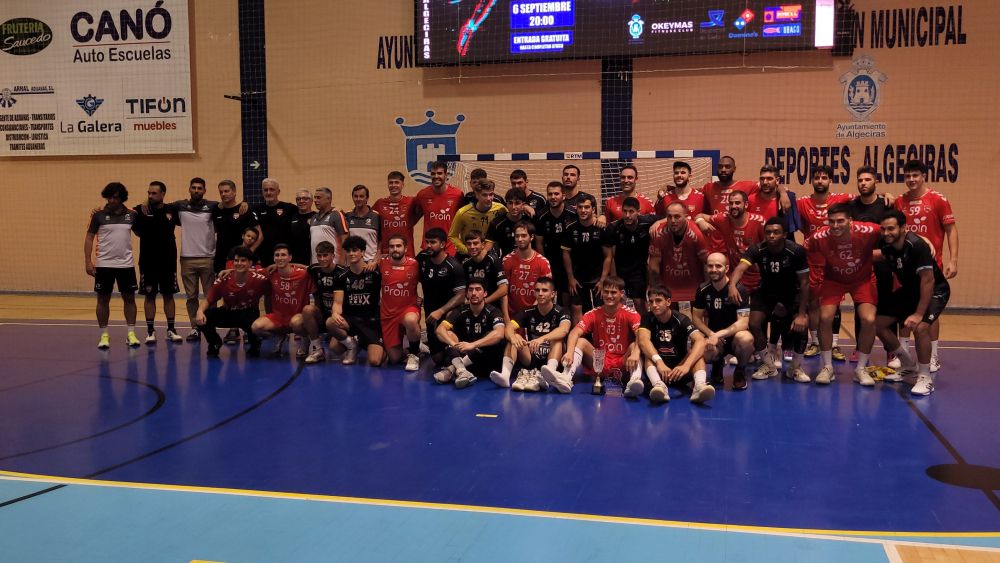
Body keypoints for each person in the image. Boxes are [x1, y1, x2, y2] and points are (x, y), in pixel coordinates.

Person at [803, 204, 881, 386]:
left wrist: (925, 240)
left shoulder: (868, 230)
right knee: (825, 317)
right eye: (831, 221)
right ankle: (827, 367)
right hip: (833, 280)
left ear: (850, 221)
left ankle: (860, 369)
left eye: (840, 221)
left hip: (862, 279)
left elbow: (896, 231)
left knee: (869, 319)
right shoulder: (819, 237)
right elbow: (804, 251)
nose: (835, 225)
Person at [877, 210, 950, 396]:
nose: (886, 233)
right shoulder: (887, 245)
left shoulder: (917, 246)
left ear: (904, 228)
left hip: (934, 291)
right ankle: (908, 364)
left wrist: (918, 314)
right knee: (878, 325)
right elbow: (876, 255)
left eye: (891, 228)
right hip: (910, 291)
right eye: (883, 229)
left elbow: (928, 280)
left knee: (920, 327)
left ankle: (925, 377)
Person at [894, 159, 958, 373]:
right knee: (904, 308)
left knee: (931, 312)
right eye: (908, 176)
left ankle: (933, 356)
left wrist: (953, 259)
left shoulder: (938, 200)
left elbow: (951, 230)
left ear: (924, 176)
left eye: (915, 175)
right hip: (905, 267)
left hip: (930, 266)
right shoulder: (899, 201)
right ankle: (903, 355)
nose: (911, 179)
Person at [729, 217, 811, 383]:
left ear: (784, 234)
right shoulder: (757, 249)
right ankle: (768, 365)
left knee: (802, 325)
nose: (771, 235)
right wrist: (732, 285)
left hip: (791, 294)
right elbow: (740, 268)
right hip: (767, 292)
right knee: (754, 323)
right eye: (768, 232)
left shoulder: (796, 251)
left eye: (776, 232)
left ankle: (795, 367)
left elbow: (804, 283)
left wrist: (802, 314)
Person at [541, 276, 642, 397]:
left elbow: (641, 335)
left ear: (622, 293)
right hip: (600, 362)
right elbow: (574, 332)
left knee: (635, 345)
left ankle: (634, 381)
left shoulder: (631, 314)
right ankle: (566, 378)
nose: (609, 295)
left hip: (623, 363)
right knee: (581, 341)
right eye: (606, 292)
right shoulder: (593, 313)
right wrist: (569, 352)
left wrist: (636, 353)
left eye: (613, 292)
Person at [797, 165, 852, 359]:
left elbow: (866, 200)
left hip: (834, 263)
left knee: (834, 305)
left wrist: (887, 195)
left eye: (824, 177)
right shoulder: (802, 202)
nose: (820, 181)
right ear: (812, 180)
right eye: (817, 177)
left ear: (830, 180)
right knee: (812, 303)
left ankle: (834, 345)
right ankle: (815, 342)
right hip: (811, 262)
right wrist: (782, 191)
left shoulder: (842, 199)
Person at [847, 166, 894, 363]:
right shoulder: (851, 206)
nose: (863, 183)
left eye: (867, 179)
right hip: (861, 267)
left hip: (884, 264)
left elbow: (894, 234)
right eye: (860, 180)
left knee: (887, 308)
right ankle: (860, 348)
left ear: (876, 181)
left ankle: (891, 350)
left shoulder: (887, 205)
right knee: (861, 308)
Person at [636, 286, 713, 404]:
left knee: (697, 354)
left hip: (680, 370)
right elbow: (643, 340)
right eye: (651, 301)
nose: (654, 305)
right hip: (658, 370)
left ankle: (699, 386)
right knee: (648, 354)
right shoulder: (647, 318)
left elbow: (700, 340)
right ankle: (658, 386)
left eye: (658, 300)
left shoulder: (681, 319)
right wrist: (659, 362)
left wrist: (686, 365)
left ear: (668, 302)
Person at [85, 182, 140, 349]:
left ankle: (131, 334)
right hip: (104, 265)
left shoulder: (132, 215)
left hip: (126, 265)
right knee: (103, 299)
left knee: (129, 299)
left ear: (122, 198)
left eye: (115, 197)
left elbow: (141, 232)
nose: (111, 200)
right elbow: (89, 238)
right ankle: (104, 335)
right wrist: (88, 261)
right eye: (109, 197)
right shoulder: (98, 216)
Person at [491, 277, 571, 391]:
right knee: (514, 337)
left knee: (557, 339)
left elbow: (564, 330)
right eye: (537, 290)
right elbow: (509, 327)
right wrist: (513, 338)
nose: (540, 293)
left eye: (544, 290)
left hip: (553, 356)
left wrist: (542, 339)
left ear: (553, 294)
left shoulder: (562, 311)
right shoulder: (527, 311)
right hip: (531, 356)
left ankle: (549, 372)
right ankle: (505, 375)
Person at [692, 253, 754, 390]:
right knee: (701, 349)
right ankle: (717, 364)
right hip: (714, 337)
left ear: (726, 268)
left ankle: (740, 371)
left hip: (734, 337)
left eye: (718, 266)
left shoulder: (739, 289)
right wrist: (710, 334)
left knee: (746, 339)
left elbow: (743, 323)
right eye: (710, 266)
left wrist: (718, 334)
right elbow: (696, 318)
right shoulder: (703, 289)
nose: (714, 269)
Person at [196, 246, 269, 357]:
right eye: (236, 260)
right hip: (228, 312)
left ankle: (255, 344)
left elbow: (276, 269)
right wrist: (200, 311)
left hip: (248, 313)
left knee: (256, 326)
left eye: (243, 260)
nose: (239, 263)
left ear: (250, 263)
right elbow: (208, 299)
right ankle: (215, 342)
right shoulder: (223, 279)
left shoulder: (260, 278)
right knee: (204, 317)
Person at [133, 180, 183, 344]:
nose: (150, 196)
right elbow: (121, 213)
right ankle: (150, 331)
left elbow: (188, 206)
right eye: (148, 193)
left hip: (168, 262)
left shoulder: (172, 210)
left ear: (163, 194)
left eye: (154, 193)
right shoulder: (140, 210)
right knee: (149, 296)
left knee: (169, 295)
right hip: (148, 262)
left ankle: (171, 329)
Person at [433, 281, 507, 388]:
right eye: (471, 290)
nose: (474, 293)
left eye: (478, 289)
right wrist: (454, 344)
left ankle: (452, 369)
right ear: (467, 294)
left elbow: (499, 334)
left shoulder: (493, 311)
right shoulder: (461, 311)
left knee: (490, 335)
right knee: (448, 334)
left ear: (485, 293)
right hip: (466, 357)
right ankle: (462, 371)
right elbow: (440, 330)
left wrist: (473, 345)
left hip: (486, 361)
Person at [250, 244, 319, 358]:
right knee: (256, 327)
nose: (280, 258)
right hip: (278, 317)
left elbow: (315, 268)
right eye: (277, 255)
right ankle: (279, 335)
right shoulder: (270, 272)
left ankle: (305, 340)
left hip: (297, 317)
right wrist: (228, 270)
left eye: (283, 255)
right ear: (273, 258)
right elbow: (248, 271)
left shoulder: (303, 274)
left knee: (296, 323)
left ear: (290, 257)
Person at [326, 237, 385, 366]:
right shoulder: (341, 276)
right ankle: (351, 345)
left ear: (362, 252)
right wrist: (335, 313)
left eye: (355, 250)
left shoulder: (375, 273)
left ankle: (366, 343)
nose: (351, 253)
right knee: (331, 327)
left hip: (370, 321)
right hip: (351, 320)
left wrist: (376, 261)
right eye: (348, 251)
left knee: (375, 361)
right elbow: (337, 303)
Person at [175, 177, 218, 341]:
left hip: (208, 258)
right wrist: (144, 203)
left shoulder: (213, 207)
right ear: (189, 189)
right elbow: (159, 205)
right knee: (191, 297)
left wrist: (245, 203)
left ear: (204, 190)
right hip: (187, 259)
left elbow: (230, 207)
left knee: (210, 297)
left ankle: (210, 326)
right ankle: (195, 328)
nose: (196, 190)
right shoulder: (180, 206)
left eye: (200, 188)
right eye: (193, 187)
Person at [418, 228, 467, 365]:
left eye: (433, 242)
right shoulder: (422, 258)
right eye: (427, 242)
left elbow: (461, 295)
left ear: (442, 244)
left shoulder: (454, 266)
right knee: (438, 359)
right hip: (430, 313)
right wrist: (415, 295)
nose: (428, 245)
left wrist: (441, 311)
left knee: (449, 358)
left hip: (449, 313)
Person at [700, 190, 765, 293]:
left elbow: (767, 247)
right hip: (735, 279)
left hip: (758, 279)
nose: (734, 206)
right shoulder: (723, 218)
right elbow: (700, 216)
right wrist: (700, 221)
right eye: (731, 203)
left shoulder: (758, 221)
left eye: (737, 203)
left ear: (746, 204)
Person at [561, 192, 612, 325]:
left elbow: (608, 256)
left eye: (587, 207)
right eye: (580, 207)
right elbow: (566, 254)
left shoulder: (602, 228)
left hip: (597, 277)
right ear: (576, 209)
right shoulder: (570, 227)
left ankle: (600, 336)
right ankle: (579, 336)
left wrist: (603, 280)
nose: (583, 210)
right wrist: (570, 278)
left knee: (601, 309)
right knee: (576, 308)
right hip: (577, 277)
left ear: (593, 209)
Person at [647, 201, 710, 306]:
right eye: (669, 217)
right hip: (668, 289)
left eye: (677, 217)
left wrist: (707, 290)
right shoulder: (658, 233)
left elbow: (706, 263)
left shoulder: (697, 234)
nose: (673, 221)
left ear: (686, 217)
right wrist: (654, 290)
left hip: (694, 288)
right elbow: (653, 267)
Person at [603, 196, 656, 314]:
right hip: (619, 271)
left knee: (639, 302)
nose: (627, 215)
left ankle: (644, 324)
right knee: (617, 303)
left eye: (631, 211)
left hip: (638, 271)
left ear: (638, 212)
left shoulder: (647, 222)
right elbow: (610, 256)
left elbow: (666, 217)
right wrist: (614, 277)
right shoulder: (613, 228)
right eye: (625, 211)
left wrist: (657, 223)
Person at [379, 234, 423, 371]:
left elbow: (428, 281)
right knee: (394, 358)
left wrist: (421, 297)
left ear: (406, 248)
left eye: (398, 246)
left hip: (408, 309)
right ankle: (414, 345)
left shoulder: (414, 264)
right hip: (388, 314)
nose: (395, 249)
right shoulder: (381, 263)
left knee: (410, 320)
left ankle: (414, 354)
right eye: (391, 246)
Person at [535, 180, 578, 309]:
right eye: (550, 194)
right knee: (549, 294)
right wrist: (544, 264)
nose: (553, 197)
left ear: (563, 196)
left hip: (571, 261)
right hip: (550, 260)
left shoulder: (573, 214)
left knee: (567, 296)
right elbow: (539, 242)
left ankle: (567, 318)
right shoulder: (541, 216)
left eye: (556, 194)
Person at [503, 221, 553, 318]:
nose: (520, 239)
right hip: (512, 315)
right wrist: (506, 317)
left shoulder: (543, 262)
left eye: (523, 235)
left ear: (532, 237)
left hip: (535, 315)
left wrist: (530, 313)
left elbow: (546, 292)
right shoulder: (507, 260)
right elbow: (503, 292)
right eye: (517, 236)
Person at [413, 161, 464, 256]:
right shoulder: (422, 195)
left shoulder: (457, 195)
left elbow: (463, 219)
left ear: (446, 174)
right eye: (433, 173)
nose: (436, 176)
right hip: (429, 245)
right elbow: (414, 217)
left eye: (439, 173)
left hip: (450, 247)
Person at [302, 241, 340, 364]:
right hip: (322, 315)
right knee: (306, 311)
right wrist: (277, 265)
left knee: (336, 348)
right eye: (319, 255)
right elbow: (301, 267)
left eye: (325, 255)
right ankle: (316, 348)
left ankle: (352, 343)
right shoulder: (314, 269)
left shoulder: (342, 272)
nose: (322, 259)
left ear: (333, 255)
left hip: (339, 317)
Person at [448, 179, 507, 258]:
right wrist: (467, 251)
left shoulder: (501, 209)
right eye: (484, 195)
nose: (489, 198)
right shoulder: (463, 213)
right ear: (477, 195)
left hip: (490, 254)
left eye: (491, 194)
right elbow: (452, 236)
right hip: (468, 254)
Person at [212, 179, 261, 274]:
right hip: (221, 258)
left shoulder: (244, 209)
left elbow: (260, 235)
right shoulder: (216, 210)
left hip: (240, 259)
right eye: (221, 192)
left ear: (234, 192)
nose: (223, 194)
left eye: (226, 191)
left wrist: (249, 252)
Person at [253, 178, 298, 268]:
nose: (268, 192)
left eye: (272, 189)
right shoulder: (255, 209)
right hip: (263, 256)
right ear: (262, 192)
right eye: (265, 190)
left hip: (284, 257)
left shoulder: (290, 208)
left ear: (278, 191)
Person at [372, 171, 418, 258]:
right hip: (386, 253)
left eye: (397, 182)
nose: (393, 185)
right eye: (391, 183)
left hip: (407, 253)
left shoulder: (411, 201)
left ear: (402, 185)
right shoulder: (380, 203)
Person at [462, 230, 508, 308]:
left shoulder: (493, 260)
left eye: (475, 243)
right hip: (473, 306)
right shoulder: (466, 264)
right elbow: (464, 290)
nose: (472, 247)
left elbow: (504, 289)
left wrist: (483, 302)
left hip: (492, 306)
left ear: (483, 245)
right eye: (469, 244)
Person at [308, 187, 350, 265]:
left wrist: (341, 263)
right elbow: (313, 244)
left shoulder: (336, 215)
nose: (315, 200)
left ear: (329, 199)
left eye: (319, 198)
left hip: (334, 264)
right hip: (316, 264)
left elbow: (345, 240)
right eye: (315, 198)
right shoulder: (313, 218)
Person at [486, 187, 530, 258]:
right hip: (506, 261)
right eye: (510, 203)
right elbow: (488, 247)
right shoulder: (496, 223)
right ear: (506, 204)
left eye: (517, 203)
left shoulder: (530, 221)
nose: (513, 207)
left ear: (523, 204)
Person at [344, 184, 381, 263]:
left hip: (371, 264)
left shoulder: (376, 216)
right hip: (353, 263)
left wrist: (375, 260)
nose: (358, 199)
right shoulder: (347, 216)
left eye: (361, 196)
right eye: (355, 196)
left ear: (367, 198)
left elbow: (380, 241)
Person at [289, 189, 316, 270]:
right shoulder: (291, 217)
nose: (301, 201)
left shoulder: (317, 217)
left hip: (312, 258)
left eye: (305, 199)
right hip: (294, 260)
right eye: (299, 199)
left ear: (311, 201)